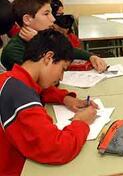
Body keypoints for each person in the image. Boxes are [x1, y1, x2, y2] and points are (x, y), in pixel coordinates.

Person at [0, 29, 97, 175]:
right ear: (48, 58)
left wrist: (65, 98)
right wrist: (81, 122)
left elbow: (39, 90)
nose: (62, 77)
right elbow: (57, 148)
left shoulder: (10, 79)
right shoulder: (21, 97)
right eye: (62, 69)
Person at [0, 0, 107, 72]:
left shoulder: (45, 35)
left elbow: (66, 50)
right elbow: (42, 76)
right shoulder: (13, 51)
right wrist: (37, 42)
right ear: (27, 19)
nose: (53, 19)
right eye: (46, 14)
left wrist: (91, 57)